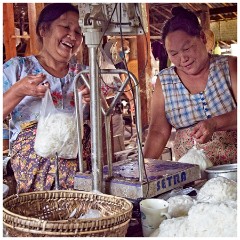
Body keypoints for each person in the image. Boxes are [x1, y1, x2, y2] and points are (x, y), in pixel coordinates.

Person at [3, 3, 90, 193]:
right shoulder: (18, 68)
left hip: (77, 152)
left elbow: (103, 122)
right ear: (44, 29)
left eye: (79, 32)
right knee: (52, 161)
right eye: (66, 27)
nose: (73, 36)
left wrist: (96, 99)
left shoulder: (83, 74)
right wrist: (18, 90)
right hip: (33, 156)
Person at [143, 7, 237, 166]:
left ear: (202, 37)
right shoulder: (165, 81)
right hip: (190, 173)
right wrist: (143, 168)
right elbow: (158, 131)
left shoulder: (230, 67)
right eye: (173, 54)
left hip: (234, 169)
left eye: (186, 48)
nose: (182, 58)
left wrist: (215, 123)